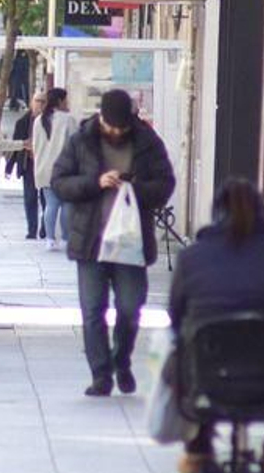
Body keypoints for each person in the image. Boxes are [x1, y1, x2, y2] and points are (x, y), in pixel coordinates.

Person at [166, 180, 264, 473]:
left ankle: (198, 445)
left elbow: (176, 315)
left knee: (184, 345)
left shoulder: (192, 258)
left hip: (208, 381)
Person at [51, 89, 176, 397]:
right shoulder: (81, 140)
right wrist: (95, 183)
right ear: (101, 119)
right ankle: (101, 375)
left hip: (131, 242)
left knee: (130, 307)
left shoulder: (147, 142)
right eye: (111, 127)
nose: (116, 133)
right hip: (91, 241)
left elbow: (165, 184)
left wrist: (137, 187)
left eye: (122, 128)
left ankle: (121, 360)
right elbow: (60, 182)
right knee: (93, 310)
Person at [32, 87, 73, 251]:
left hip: (44, 168)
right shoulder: (68, 120)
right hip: (64, 169)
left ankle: (49, 238)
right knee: (66, 204)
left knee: (50, 205)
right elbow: (75, 144)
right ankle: (65, 237)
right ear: (60, 101)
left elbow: (35, 146)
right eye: (66, 100)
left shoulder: (39, 120)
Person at [6, 90, 47, 239]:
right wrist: (9, 167)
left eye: (43, 101)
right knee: (30, 198)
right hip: (28, 164)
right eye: (37, 101)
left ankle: (45, 228)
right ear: (31, 103)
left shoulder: (49, 122)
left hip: (45, 166)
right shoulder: (23, 122)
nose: (40, 105)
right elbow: (16, 146)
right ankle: (32, 229)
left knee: (45, 199)